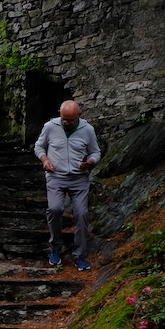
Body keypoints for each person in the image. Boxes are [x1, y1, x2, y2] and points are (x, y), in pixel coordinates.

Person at [33, 100, 101, 270]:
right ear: (59, 114)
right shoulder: (50, 127)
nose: (67, 123)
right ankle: (56, 247)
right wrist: (45, 159)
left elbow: (95, 151)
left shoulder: (88, 130)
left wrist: (91, 161)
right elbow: (39, 147)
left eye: (71, 120)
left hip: (79, 178)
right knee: (55, 209)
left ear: (79, 115)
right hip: (56, 176)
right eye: (64, 119)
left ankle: (80, 255)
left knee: (81, 213)